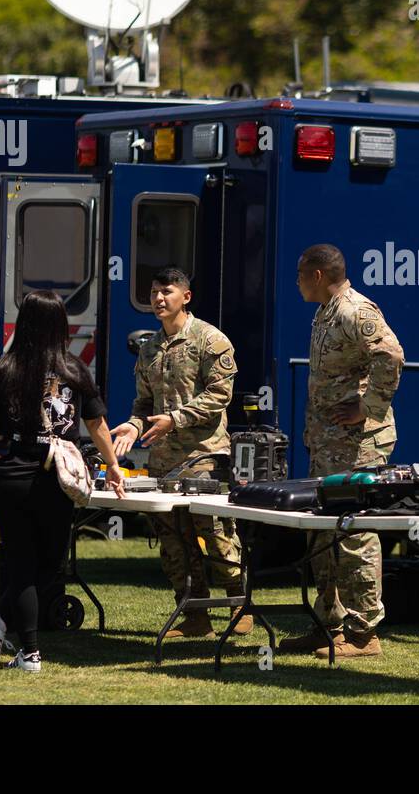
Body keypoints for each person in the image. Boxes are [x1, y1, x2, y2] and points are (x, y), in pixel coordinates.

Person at [0, 290, 125, 673]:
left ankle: (5, 628)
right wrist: (113, 466)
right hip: (55, 475)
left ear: (23, 323)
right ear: (61, 325)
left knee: (22, 558)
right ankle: (29, 650)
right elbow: (97, 425)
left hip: (8, 474)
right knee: (50, 561)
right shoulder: (75, 370)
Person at [109, 267, 250, 639]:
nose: (158, 299)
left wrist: (174, 419)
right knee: (174, 542)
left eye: (165, 291)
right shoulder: (149, 348)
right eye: (154, 292)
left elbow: (220, 395)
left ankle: (240, 604)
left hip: (205, 456)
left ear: (185, 297)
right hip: (164, 463)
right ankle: (194, 613)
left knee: (216, 533)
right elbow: (143, 403)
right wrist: (134, 425)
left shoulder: (210, 340)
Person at [280, 244, 404, 659]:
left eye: (300, 273)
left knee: (355, 533)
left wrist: (369, 408)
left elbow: (391, 354)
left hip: (358, 446)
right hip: (328, 444)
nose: (296, 280)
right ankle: (328, 624)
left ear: (317, 275)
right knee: (323, 535)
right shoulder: (325, 312)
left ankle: (364, 632)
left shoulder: (355, 310)